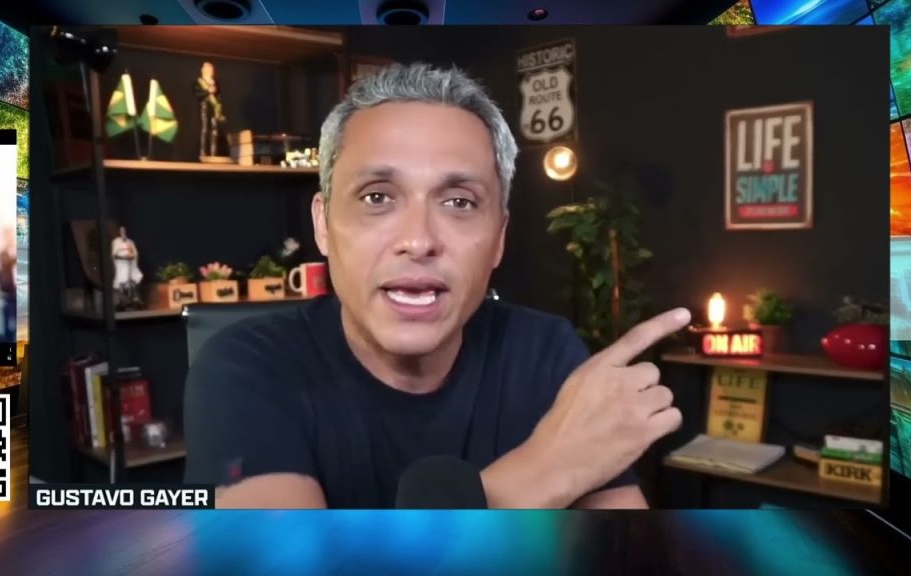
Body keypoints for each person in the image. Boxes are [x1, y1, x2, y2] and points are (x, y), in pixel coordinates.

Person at [184, 63, 689, 508]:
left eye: (459, 203)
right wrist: (542, 474)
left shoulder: (543, 352)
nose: (419, 240)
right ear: (322, 224)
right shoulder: (248, 366)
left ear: (499, 239)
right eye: (377, 197)